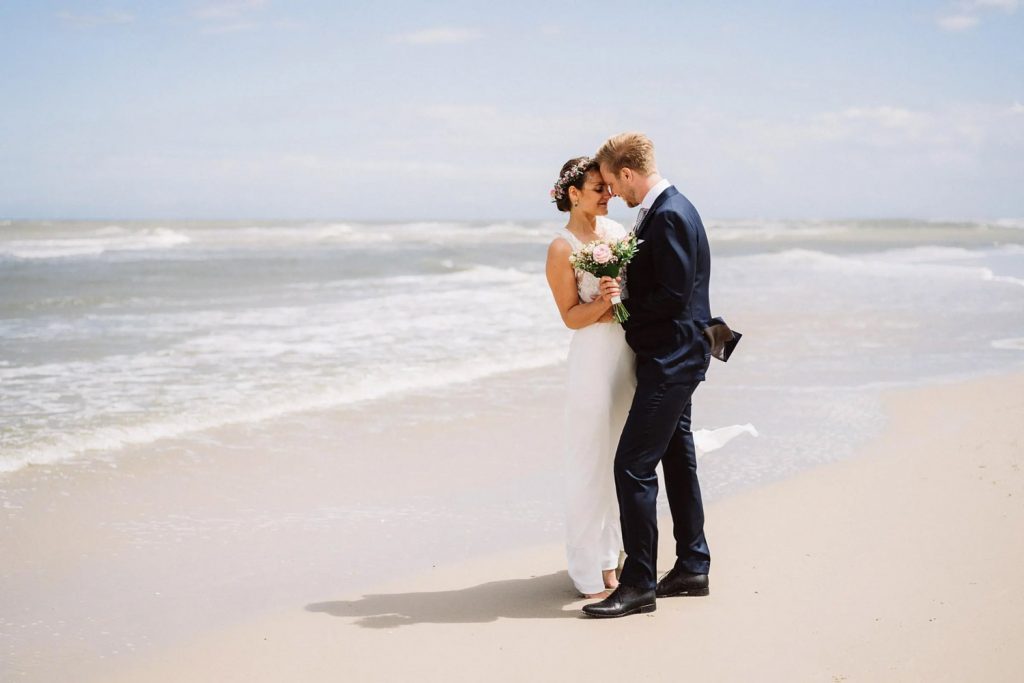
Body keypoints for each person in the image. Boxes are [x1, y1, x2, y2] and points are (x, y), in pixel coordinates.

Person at [583, 132, 718, 618]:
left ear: (627, 172)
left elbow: (675, 296)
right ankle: (692, 565)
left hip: (673, 360)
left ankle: (639, 582)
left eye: (615, 185)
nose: (615, 194)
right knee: (677, 460)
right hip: (675, 355)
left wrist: (624, 307)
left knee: (632, 465)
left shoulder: (670, 214)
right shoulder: (668, 209)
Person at [544, 156, 634, 598]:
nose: (608, 194)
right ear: (573, 194)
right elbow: (570, 317)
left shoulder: (618, 235)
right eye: (597, 187)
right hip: (592, 363)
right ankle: (587, 570)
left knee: (622, 461)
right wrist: (604, 300)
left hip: (627, 358)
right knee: (590, 463)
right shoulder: (561, 248)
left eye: (609, 186)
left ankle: (611, 562)